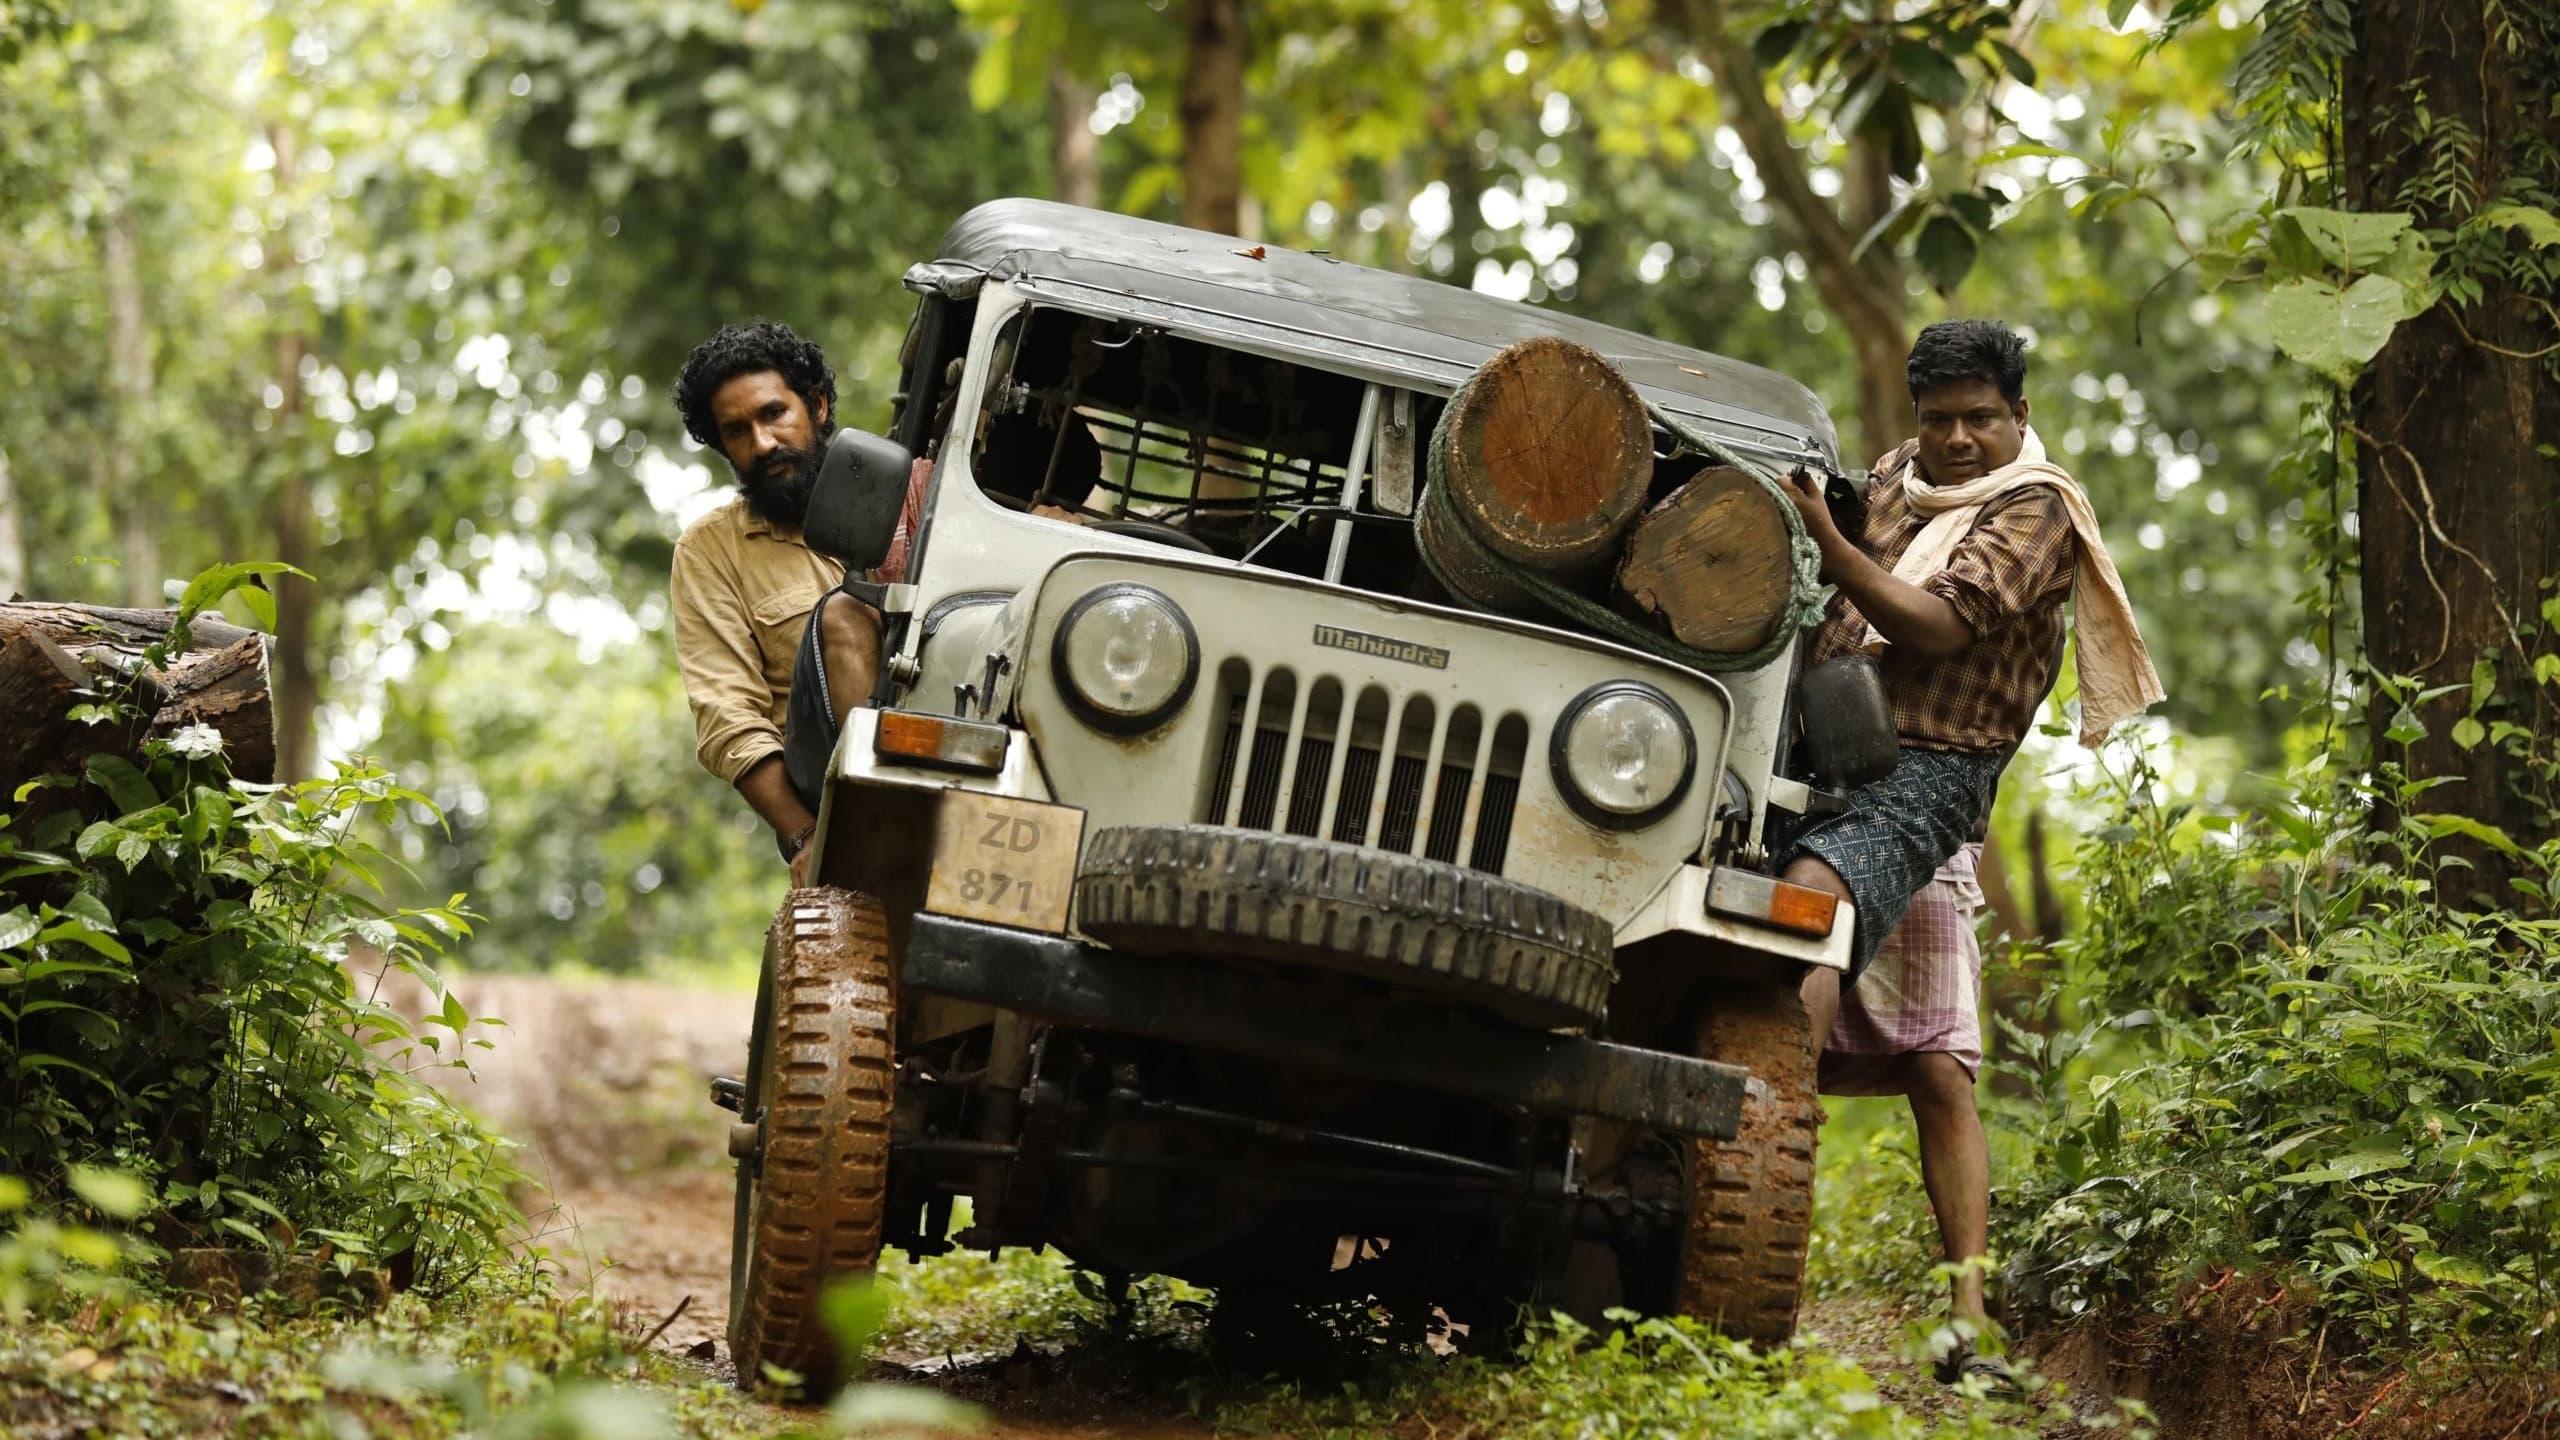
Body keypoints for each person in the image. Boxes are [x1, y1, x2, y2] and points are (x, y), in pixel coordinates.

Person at [1777, 318, 2164, 1384]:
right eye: (1938, 419)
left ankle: (1956, 1317)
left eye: (1980, 418)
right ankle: (1748, 1249)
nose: (1957, 440)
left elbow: (1938, 626)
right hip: (1822, 756)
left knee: (1902, 1029)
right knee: (1895, 1033)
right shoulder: (1890, 478)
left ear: (2018, 416)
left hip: (1930, 778)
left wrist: (1832, 545)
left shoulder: (2036, 510)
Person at [668, 321, 899, 883]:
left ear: (816, 406)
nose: (763, 444)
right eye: (737, 431)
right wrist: (806, 837)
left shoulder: (906, 489)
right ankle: (877, 829)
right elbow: (728, 718)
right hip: (831, 789)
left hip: (955, 737)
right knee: (844, 614)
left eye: (773, 414)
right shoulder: (711, 551)